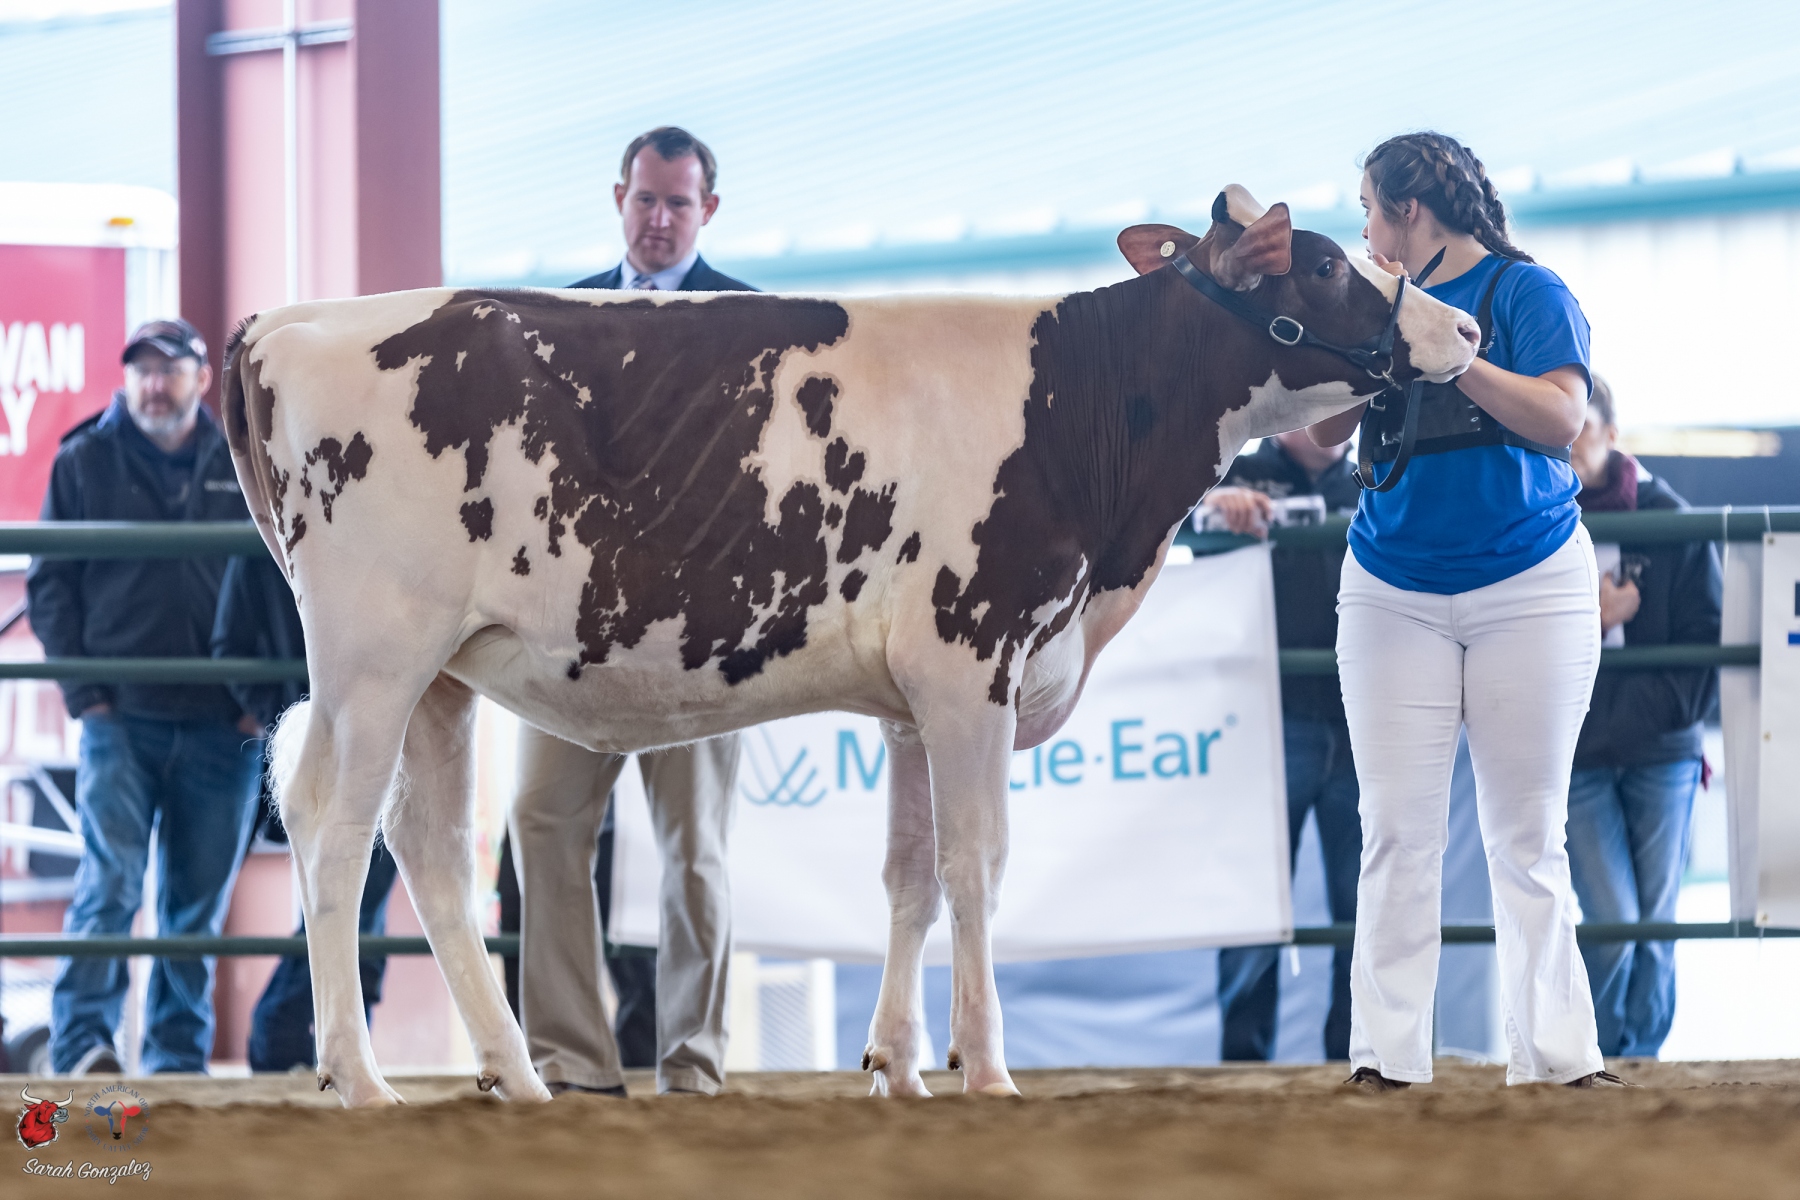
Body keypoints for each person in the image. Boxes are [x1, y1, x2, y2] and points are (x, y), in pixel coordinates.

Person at [1307, 132, 1620, 1091]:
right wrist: (1364, 332)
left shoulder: (1527, 291)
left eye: (1369, 209)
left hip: (1530, 584)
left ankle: (1558, 1059)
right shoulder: (1370, 303)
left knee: (1526, 836)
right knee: (1396, 832)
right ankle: (1386, 1060)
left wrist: (1451, 358)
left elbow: (1562, 419)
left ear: (1407, 210)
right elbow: (1320, 439)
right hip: (1390, 588)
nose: (1364, 228)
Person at [501, 125, 749, 1098]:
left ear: (707, 209)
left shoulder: (753, 321)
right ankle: (571, 1061)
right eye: (645, 199)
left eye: (677, 203)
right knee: (541, 818)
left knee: (696, 851)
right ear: (619, 198)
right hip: (573, 628)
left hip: (700, 630)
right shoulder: (561, 317)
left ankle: (693, 1065)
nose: (658, 219)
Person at [26, 319, 264, 1074]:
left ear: (202, 379)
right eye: (142, 369)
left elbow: (282, 580)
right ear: (126, 377)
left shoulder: (244, 462)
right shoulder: (84, 460)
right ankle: (82, 1048)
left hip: (223, 724)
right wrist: (86, 695)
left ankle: (174, 1063)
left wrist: (256, 701)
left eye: (171, 369)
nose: (155, 384)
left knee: (196, 905)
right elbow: (49, 583)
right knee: (110, 886)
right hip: (120, 720)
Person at [1564, 375, 1720, 1058]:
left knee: (1654, 922)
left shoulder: (1674, 521)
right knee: (1613, 922)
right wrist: (1593, 620)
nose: (1569, 440)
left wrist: (1614, 715)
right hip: (1581, 753)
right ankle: (1600, 1057)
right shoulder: (1534, 527)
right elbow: (1513, 644)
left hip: (1656, 751)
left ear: (1611, 433)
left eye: (1581, 425)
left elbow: (1703, 656)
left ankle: (1645, 1061)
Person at [1201, 430, 1361, 1061]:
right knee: (1254, 902)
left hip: (1361, 723)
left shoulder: (1380, 474)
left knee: (1366, 903)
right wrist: (1210, 509)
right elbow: (1163, 528)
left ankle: (1361, 1057)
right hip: (1267, 719)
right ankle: (1243, 1062)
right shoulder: (1232, 471)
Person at [210, 551, 402, 1072]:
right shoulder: (263, 549)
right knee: (352, 901)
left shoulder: (360, 540)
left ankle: (318, 1038)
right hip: (323, 744)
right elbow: (229, 647)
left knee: (360, 902)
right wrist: (288, 723)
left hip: (374, 741)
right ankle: (285, 1031)